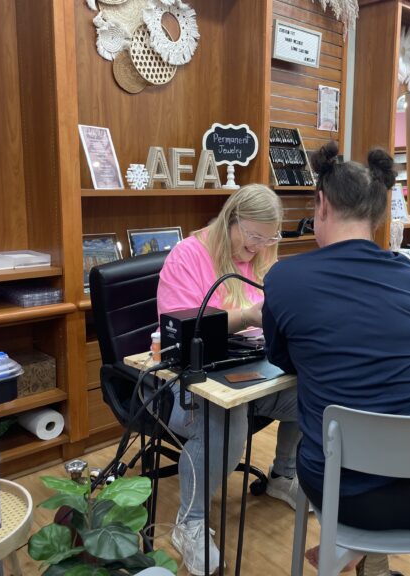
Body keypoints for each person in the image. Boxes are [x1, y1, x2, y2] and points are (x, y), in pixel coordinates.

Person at [262, 143, 410, 571]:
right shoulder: (404, 272)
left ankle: (355, 549)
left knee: (340, 443)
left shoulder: (285, 278)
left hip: (353, 496)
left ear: (321, 203)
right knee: (383, 423)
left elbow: (286, 362)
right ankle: (368, 562)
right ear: (379, 211)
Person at [157, 184, 302, 576]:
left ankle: (283, 475)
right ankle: (190, 523)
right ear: (230, 218)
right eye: (252, 236)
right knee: (227, 416)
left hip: (250, 367)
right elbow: (184, 329)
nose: (258, 247)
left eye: (268, 238)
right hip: (186, 382)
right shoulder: (188, 256)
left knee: (312, 390)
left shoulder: (264, 251)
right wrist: (248, 316)